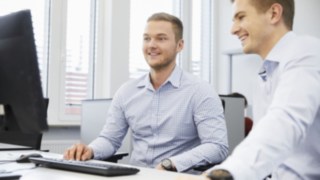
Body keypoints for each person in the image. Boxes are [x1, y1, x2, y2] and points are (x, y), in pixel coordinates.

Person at [64, 12, 228, 173]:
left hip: (177, 177)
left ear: (180, 45)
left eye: (161, 38)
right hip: (136, 176)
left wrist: (171, 163)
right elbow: (110, 139)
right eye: (147, 38)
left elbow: (217, 146)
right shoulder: (127, 92)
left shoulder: (200, 91)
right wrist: (90, 150)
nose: (151, 45)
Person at [177, 0, 320, 179]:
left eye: (241, 17)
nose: (233, 29)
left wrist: (224, 173)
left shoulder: (307, 51)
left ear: (274, 13)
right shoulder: (264, 74)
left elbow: (283, 124)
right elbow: (261, 143)